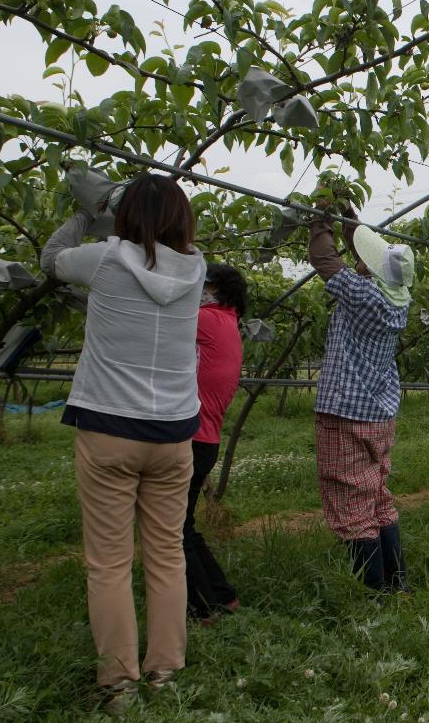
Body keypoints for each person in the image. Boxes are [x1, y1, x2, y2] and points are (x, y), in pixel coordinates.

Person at [40, 173, 205, 708]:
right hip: (174, 433)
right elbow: (167, 249)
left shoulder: (104, 258)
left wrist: (88, 213)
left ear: (124, 217)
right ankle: (165, 674)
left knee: (109, 563)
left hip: (110, 428)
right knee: (166, 555)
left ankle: (118, 684)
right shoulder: (197, 268)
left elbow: (52, 259)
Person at [309, 203, 414, 593]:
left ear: (373, 273)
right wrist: (351, 219)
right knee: (377, 499)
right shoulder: (396, 301)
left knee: (353, 506)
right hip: (379, 414)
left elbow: (323, 258)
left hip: (347, 414)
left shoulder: (364, 296)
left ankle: (372, 596)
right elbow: (366, 256)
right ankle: (396, 585)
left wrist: (320, 217)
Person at [184, 264, 246, 623]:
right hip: (205, 440)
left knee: (174, 530)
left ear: (217, 289)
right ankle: (221, 595)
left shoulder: (205, 320)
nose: (198, 289)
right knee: (183, 525)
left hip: (191, 439)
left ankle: (204, 607)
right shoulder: (227, 323)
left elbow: (157, 314)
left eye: (204, 284)